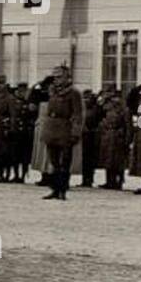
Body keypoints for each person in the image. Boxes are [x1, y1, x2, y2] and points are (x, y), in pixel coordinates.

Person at [35, 65, 82, 201]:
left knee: (64, 162)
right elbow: (34, 94)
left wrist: (75, 132)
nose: (56, 79)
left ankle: (62, 190)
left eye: (59, 77)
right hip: (51, 129)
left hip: (65, 129)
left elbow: (78, 115)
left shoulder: (74, 93)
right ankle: (54, 189)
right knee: (54, 162)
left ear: (67, 78)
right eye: (54, 77)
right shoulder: (51, 91)